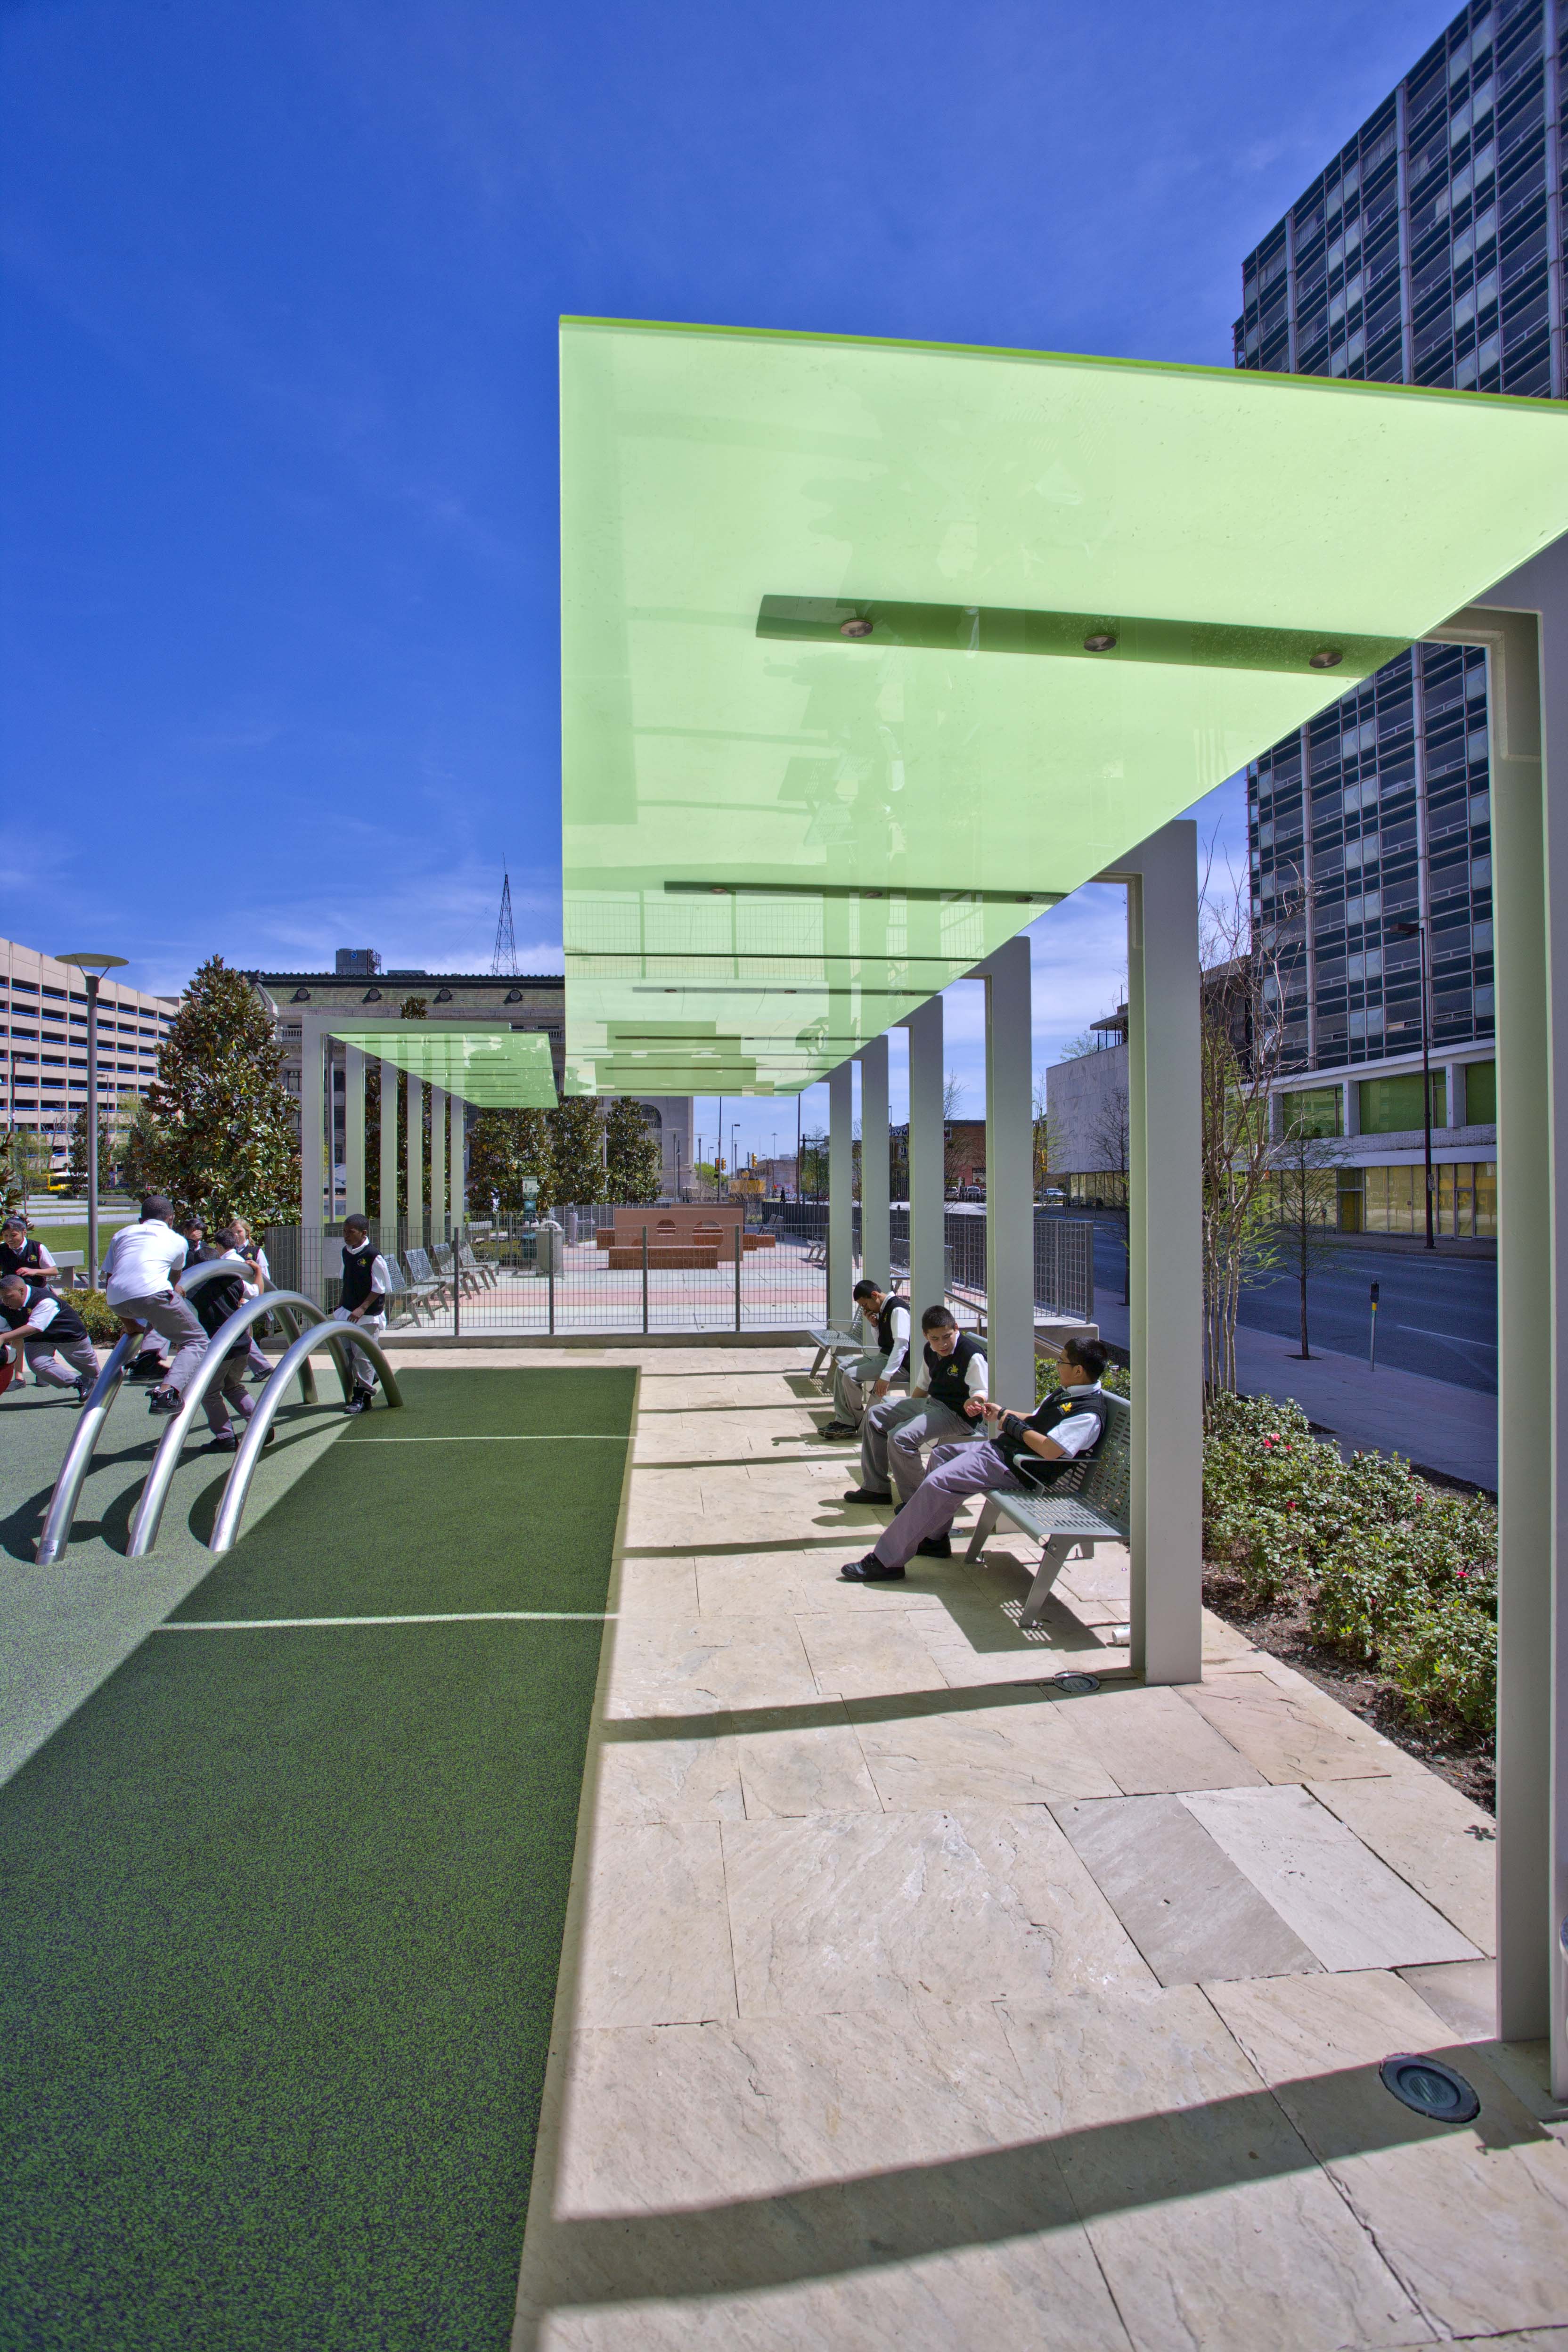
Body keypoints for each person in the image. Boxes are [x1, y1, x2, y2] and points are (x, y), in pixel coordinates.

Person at [840, 1336, 1111, 1580]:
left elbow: (1051, 1450)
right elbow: (1036, 1421)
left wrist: (1012, 1425)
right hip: (1006, 1454)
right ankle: (935, 1540)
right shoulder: (1069, 1393)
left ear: (1078, 1370)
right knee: (942, 1456)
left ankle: (887, 1561)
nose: (1057, 1365)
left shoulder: (1087, 1414)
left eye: (1061, 1361)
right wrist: (1005, 1413)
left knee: (939, 1482)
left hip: (1019, 1469)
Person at [842, 1305, 988, 1507]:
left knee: (901, 1437)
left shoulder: (972, 1355)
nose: (942, 1344)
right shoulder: (930, 1350)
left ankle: (919, 1503)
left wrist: (976, 1401)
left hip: (958, 1415)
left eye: (947, 1337)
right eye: (935, 1339)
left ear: (956, 1328)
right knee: (875, 1415)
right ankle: (876, 1488)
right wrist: (906, 1413)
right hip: (933, 1405)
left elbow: (981, 1391)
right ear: (925, 1335)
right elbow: (923, 1386)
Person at [98, 1194, 208, 1417]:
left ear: (141, 1220)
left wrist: (129, 1324)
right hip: (152, 1296)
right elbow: (175, 1277)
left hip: (116, 1300)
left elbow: (112, 1278)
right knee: (197, 1340)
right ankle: (168, 1393)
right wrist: (174, 1290)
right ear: (171, 1219)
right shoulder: (177, 1239)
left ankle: (147, 1360)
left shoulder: (122, 1234)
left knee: (154, 1314)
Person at [178, 1226, 273, 1451]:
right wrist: (258, 1273)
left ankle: (225, 1437)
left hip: (219, 1348)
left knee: (209, 1392)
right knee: (233, 1386)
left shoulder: (193, 1291)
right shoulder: (234, 1281)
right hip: (241, 1344)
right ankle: (261, 1422)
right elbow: (256, 1294)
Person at [819, 1277, 910, 1440]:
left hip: (900, 1366)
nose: (865, 1309)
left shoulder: (897, 1310)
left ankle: (856, 1422)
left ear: (874, 1295)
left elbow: (901, 1346)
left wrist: (886, 1376)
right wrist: (874, 1325)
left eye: (865, 1305)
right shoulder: (882, 1309)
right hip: (884, 1358)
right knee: (841, 1369)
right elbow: (883, 1343)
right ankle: (844, 1420)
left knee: (850, 1375)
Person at [0, 1274, 98, 1403]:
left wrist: (3, 1338)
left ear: (21, 1291)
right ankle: (78, 1382)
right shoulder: (4, 1307)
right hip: (37, 1340)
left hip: (68, 1335)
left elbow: (35, 1327)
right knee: (38, 1365)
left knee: (94, 1374)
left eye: (8, 1297)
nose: (5, 1301)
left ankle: (98, 1388)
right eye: (2, 1298)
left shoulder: (44, 1299)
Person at [333, 1214, 390, 1415]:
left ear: (363, 1233)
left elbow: (380, 1288)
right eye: (345, 1231)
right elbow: (346, 1280)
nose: (346, 1236)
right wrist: (342, 1305)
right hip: (348, 1312)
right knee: (347, 1354)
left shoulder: (373, 1256)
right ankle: (365, 1382)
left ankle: (363, 1395)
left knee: (362, 1355)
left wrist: (362, 1308)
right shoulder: (346, 1253)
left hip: (367, 1316)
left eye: (351, 1232)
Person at [225, 1215, 274, 1381]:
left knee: (242, 1334)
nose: (237, 1235)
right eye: (233, 1233)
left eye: (239, 1231)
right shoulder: (230, 1252)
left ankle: (261, 1366)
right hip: (236, 1297)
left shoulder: (255, 1252)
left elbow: (265, 1277)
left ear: (247, 1232)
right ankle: (250, 1364)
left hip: (249, 1297)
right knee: (244, 1334)